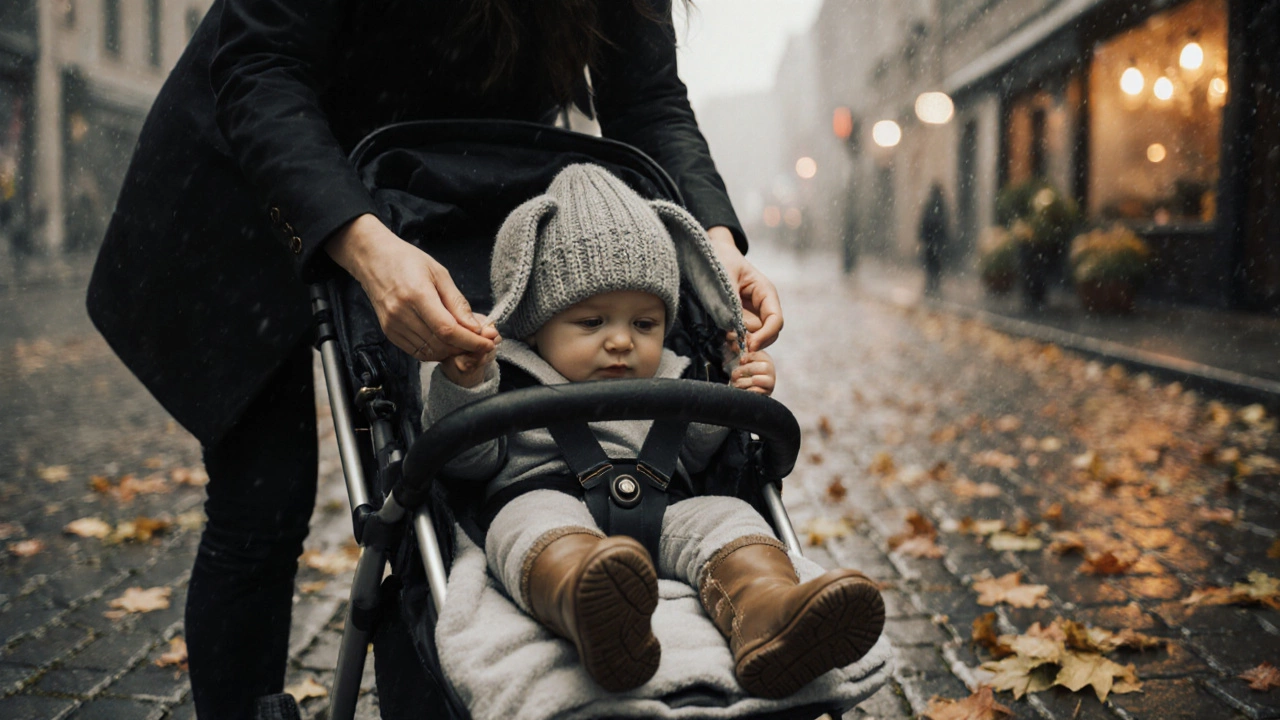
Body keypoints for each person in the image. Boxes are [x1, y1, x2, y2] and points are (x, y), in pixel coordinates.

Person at [85, 1, 785, 717]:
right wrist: (367, 247)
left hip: (452, 180)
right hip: (250, 182)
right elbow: (262, 67)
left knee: (438, 478)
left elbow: (647, 97)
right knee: (260, 505)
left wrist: (716, 245)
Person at [421, 163, 885, 698]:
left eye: (644, 324)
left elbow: (695, 449)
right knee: (523, 526)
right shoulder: (505, 371)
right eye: (592, 323)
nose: (622, 341)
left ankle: (769, 612)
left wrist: (734, 396)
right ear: (534, 323)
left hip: (665, 508)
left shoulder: (675, 372)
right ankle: (589, 607)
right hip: (546, 499)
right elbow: (465, 461)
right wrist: (465, 386)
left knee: (731, 518)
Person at [918, 182, 950, 296]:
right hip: (936, 239)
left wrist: (922, 236)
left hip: (931, 239)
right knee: (935, 262)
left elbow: (923, 221)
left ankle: (931, 283)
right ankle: (934, 283)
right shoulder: (940, 204)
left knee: (931, 261)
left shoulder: (931, 204)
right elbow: (944, 222)